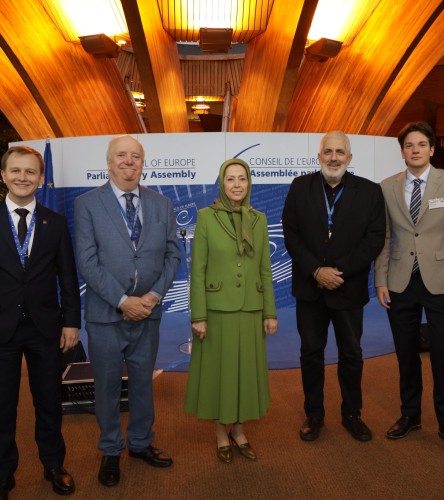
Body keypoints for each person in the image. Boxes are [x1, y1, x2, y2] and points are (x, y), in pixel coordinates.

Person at [74, 135, 180, 486]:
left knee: (142, 383)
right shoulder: (87, 204)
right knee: (105, 386)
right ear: (109, 161)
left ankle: (139, 443)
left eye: (136, 156)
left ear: (142, 162)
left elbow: (173, 255)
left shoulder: (161, 203)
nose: (129, 161)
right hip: (107, 315)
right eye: (122, 155)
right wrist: (123, 300)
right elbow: (87, 262)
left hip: (148, 313)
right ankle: (110, 450)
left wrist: (152, 297)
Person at [282, 131, 385, 443]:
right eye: (328, 151)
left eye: (340, 152)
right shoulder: (300, 187)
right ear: (319, 156)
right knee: (310, 353)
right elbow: (291, 234)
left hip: (348, 288)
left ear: (349, 158)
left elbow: (375, 238)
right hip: (310, 290)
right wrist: (316, 270)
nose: (334, 157)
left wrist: (337, 271)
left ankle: (352, 414)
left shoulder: (369, 191)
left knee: (351, 354)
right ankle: (314, 414)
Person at [374, 122, 444, 454]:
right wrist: (381, 279)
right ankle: (410, 415)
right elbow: (384, 237)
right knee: (405, 355)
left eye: (421, 144)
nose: (414, 150)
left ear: (432, 149)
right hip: (401, 282)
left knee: (443, 356)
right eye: (408, 145)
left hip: (442, 284)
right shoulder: (387, 186)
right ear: (402, 152)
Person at [184, 158, 278, 463]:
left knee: (244, 373)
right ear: (221, 184)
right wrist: (198, 315)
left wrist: (269, 312)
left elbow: (265, 268)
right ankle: (220, 433)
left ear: (249, 183)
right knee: (218, 374)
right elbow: (197, 271)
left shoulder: (259, 219)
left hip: (250, 309)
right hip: (216, 310)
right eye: (230, 179)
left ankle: (238, 430)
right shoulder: (206, 218)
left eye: (242, 179)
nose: (237, 185)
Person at [0, 146, 80, 497]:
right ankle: (4, 472)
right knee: (2, 405)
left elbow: (68, 277)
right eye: (15, 170)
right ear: (3, 175)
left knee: (48, 400)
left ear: (40, 178)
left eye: (30, 172)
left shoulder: (55, 222)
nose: (22, 177)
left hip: (45, 326)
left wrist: (71, 323)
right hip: (1, 327)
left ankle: (53, 463)